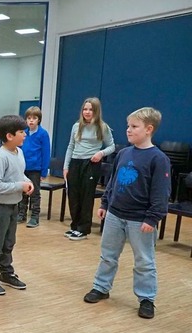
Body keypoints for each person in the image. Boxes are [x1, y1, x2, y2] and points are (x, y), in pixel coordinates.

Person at [83, 107, 170, 319]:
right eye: (128, 126)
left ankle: (146, 298)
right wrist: (104, 203)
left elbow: (161, 192)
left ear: (149, 129)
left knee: (144, 261)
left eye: (134, 127)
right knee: (108, 255)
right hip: (115, 214)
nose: (128, 130)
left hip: (140, 219)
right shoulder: (123, 153)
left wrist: (152, 217)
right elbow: (112, 182)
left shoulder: (158, 159)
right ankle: (101, 287)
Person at [0, 115, 34, 296]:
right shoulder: (0, 156)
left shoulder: (19, 152)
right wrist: (20, 186)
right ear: (10, 136)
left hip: (14, 204)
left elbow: (19, 174)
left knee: (9, 242)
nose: (25, 135)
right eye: (21, 132)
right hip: (0, 206)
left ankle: (6, 273)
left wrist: (26, 181)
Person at [63, 97, 115, 240]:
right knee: (73, 195)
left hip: (91, 164)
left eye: (90, 109)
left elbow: (112, 146)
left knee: (86, 196)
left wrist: (100, 153)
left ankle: (84, 228)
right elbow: (70, 147)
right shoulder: (76, 126)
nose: (87, 112)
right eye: (85, 109)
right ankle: (75, 226)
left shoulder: (103, 127)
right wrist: (66, 166)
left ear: (96, 111)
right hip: (75, 162)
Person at [18, 106, 51, 228]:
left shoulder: (42, 134)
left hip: (35, 169)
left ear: (39, 120)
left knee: (35, 193)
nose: (31, 121)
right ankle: (21, 214)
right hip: (23, 168)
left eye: (34, 118)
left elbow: (46, 153)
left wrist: (44, 171)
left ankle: (35, 217)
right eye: (29, 118)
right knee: (22, 191)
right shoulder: (23, 132)